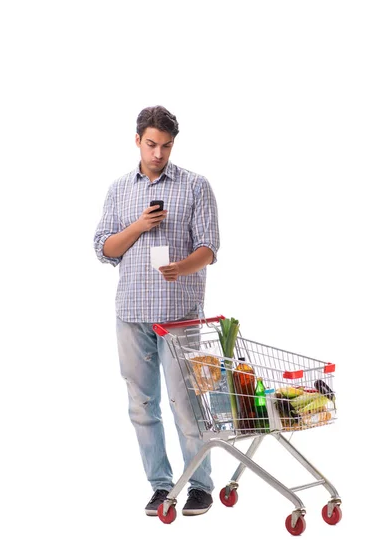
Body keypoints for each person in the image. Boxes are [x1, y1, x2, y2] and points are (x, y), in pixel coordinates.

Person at [94, 105, 220, 517]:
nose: (158, 154)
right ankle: (161, 485)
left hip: (179, 315)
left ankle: (200, 485)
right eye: (151, 145)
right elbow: (104, 249)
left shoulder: (196, 186)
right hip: (131, 314)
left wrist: (180, 268)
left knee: (185, 403)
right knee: (141, 405)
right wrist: (138, 227)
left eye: (166, 146)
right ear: (137, 141)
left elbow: (209, 249)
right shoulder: (119, 189)